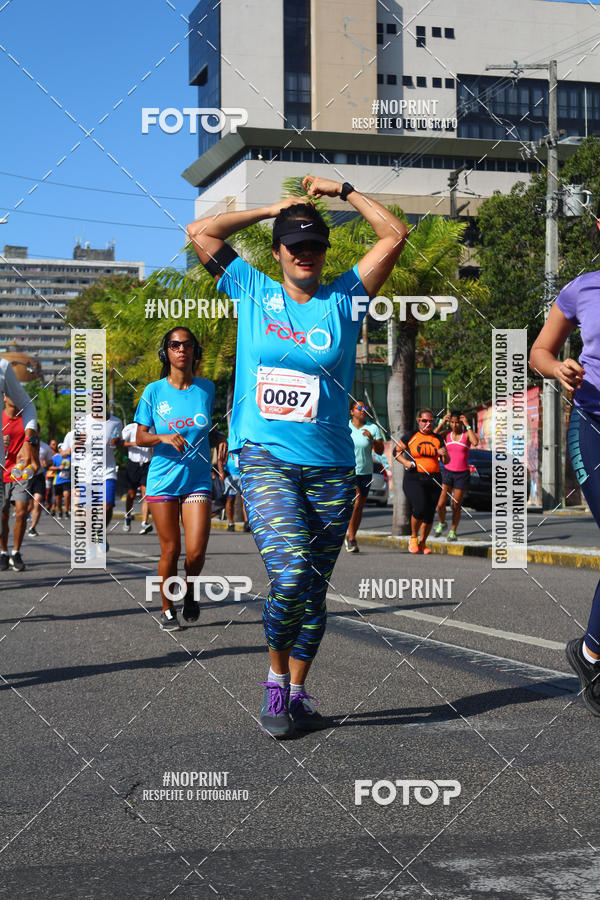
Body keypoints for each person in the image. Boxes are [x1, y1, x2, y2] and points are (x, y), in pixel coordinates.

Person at [187, 174, 408, 738]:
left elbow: (394, 235)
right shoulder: (252, 289)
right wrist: (271, 209)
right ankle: (274, 681)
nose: (306, 253)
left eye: (315, 245)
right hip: (263, 457)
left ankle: (301, 689)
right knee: (287, 577)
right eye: (295, 245)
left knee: (312, 586)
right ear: (280, 250)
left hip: (332, 465)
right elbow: (200, 232)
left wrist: (346, 191)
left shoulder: (346, 299)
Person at [529, 260, 600, 716]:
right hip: (594, 426)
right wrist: (557, 368)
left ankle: (590, 652)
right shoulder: (583, 287)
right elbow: (540, 350)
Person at [134, 326, 226, 631]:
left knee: (197, 550)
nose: (181, 349)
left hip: (197, 479)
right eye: (174, 345)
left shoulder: (207, 389)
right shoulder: (153, 391)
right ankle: (166, 608)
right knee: (171, 548)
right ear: (166, 352)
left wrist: (219, 438)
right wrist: (162, 437)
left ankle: (189, 591)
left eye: (187, 345)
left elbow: (204, 429)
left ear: (194, 351)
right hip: (163, 480)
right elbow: (139, 437)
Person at [393, 408, 449, 554]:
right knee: (420, 507)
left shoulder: (437, 438)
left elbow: (446, 461)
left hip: (434, 478)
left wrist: (444, 454)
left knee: (430, 513)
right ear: (419, 421)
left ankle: (423, 543)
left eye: (431, 421)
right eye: (424, 421)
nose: (428, 424)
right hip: (414, 478)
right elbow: (396, 451)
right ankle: (413, 537)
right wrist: (406, 463)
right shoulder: (411, 435)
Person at [0, 361, 39, 572]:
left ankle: (15, 551)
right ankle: (3, 552)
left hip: (19, 470)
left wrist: (29, 442)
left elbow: (29, 405)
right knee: (3, 515)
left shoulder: (3, 366)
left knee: (22, 512)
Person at [345, 400, 384, 552]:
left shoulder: (372, 427)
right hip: (348, 470)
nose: (363, 410)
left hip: (366, 472)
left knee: (359, 506)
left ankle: (352, 535)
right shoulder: (345, 426)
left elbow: (380, 451)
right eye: (359, 407)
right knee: (355, 503)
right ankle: (350, 538)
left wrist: (372, 440)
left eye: (365, 408)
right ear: (351, 411)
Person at [434, 411, 479, 540]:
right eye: (452, 422)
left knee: (455, 505)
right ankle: (442, 523)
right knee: (441, 504)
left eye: (457, 422)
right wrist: (442, 422)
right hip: (447, 472)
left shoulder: (466, 435)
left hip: (461, 474)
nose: (454, 425)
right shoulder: (446, 435)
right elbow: (432, 436)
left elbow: (475, 442)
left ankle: (453, 531)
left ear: (461, 422)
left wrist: (467, 425)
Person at [121, 420, 153, 534]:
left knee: (146, 495)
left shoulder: (153, 429)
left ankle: (144, 522)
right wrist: (135, 443)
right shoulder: (130, 428)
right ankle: (128, 517)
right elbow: (121, 443)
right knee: (131, 494)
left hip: (147, 464)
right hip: (133, 464)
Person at [27, 427, 53, 537]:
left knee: (37, 503)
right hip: (26, 477)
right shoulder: (24, 445)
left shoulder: (45, 447)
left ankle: (33, 527)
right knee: (27, 506)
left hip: (39, 477)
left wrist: (46, 462)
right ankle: (25, 517)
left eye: (36, 431)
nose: (35, 433)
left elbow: (51, 461)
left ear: (39, 432)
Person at [223, 451, 250, 532]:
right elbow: (220, 458)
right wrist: (221, 472)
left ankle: (246, 523)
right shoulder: (227, 441)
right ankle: (231, 523)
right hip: (230, 475)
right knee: (230, 500)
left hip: (243, 475)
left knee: (245, 500)